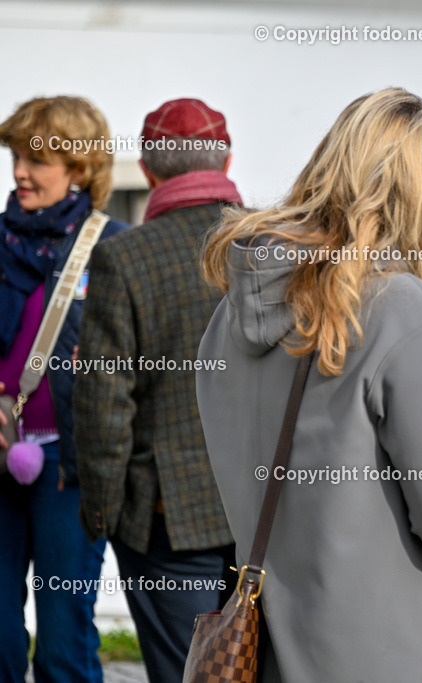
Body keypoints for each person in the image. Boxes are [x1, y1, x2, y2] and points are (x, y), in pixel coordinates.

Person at [196, 88, 422, 682]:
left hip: (281, 650)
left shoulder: (229, 317)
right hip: (399, 653)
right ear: (412, 199)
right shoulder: (397, 306)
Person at [73, 98, 243, 683]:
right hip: (278, 508)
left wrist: (100, 512)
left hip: (169, 516)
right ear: (226, 158)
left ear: (148, 171)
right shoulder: (282, 243)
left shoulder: (124, 256)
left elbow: (103, 401)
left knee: (185, 672)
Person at [0, 96, 129, 682]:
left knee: (62, 639)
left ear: (79, 168)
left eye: (37, 159)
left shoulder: (115, 247)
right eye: (16, 157)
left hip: (67, 471)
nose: (20, 171)